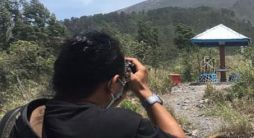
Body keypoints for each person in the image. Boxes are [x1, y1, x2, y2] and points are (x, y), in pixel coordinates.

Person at [2, 31, 185, 138]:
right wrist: (144, 91)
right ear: (114, 82)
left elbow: (87, 114)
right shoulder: (125, 125)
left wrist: (112, 95)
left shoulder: (14, 118)